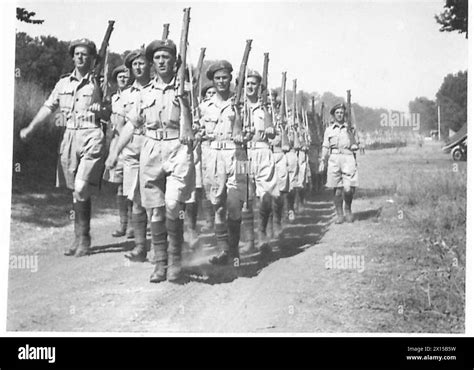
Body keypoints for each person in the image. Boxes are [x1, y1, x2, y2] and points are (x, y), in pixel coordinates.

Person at [106, 39, 195, 282]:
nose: (161, 61)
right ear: (152, 63)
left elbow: (195, 124)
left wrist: (186, 104)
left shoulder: (185, 89)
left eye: (166, 57)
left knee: (173, 204)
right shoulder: (145, 94)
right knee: (154, 210)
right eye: (157, 58)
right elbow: (132, 126)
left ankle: (176, 259)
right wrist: (115, 151)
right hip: (151, 148)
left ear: (174, 61)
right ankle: (162, 264)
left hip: (177, 148)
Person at [20, 38, 108, 257]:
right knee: (75, 192)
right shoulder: (62, 84)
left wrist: (101, 109)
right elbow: (49, 106)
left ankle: (85, 238)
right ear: (72, 57)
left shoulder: (100, 82)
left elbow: (110, 112)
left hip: (92, 136)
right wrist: (31, 127)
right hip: (69, 136)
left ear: (92, 58)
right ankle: (78, 238)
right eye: (77, 53)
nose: (80, 57)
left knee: (80, 187)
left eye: (85, 54)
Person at [199, 60, 246, 266]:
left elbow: (250, 131)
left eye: (225, 77)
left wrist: (242, 133)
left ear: (231, 79)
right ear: (213, 80)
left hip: (237, 156)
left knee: (235, 204)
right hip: (213, 156)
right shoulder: (204, 107)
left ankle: (235, 251)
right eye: (217, 78)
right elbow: (197, 129)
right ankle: (223, 251)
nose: (221, 81)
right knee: (218, 205)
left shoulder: (241, 105)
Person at [107, 49, 152, 262]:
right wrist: (114, 152)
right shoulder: (125, 95)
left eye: (142, 63)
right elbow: (120, 126)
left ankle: (169, 246)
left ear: (148, 65)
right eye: (134, 64)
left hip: (155, 151)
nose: (138, 67)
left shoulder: (158, 89)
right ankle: (140, 247)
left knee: (160, 202)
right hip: (133, 152)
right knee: (136, 199)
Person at [241, 70, 278, 252]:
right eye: (247, 83)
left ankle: (262, 231)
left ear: (259, 87)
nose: (250, 86)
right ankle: (249, 239)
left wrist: (271, 130)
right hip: (242, 153)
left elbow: (273, 130)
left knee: (266, 196)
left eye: (253, 83)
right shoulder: (238, 107)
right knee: (245, 197)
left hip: (263, 151)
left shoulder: (265, 108)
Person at [103, 64, 134, 239]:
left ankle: (132, 225)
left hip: (131, 142)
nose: (123, 79)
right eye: (120, 77)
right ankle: (123, 224)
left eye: (125, 76)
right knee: (119, 186)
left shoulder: (135, 95)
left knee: (130, 186)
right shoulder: (114, 98)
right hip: (116, 143)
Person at [319, 103, 359, 223]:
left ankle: (348, 208)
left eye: (341, 112)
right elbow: (325, 146)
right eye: (337, 113)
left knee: (348, 189)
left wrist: (355, 142)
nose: (340, 115)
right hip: (334, 159)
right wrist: (322, 160)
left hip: (348, 157)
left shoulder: (350, 128)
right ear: (333, 115)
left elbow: (357, 143)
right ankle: (339, 214)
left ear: (344, 114)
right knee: (337, 190)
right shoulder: (329, 130)